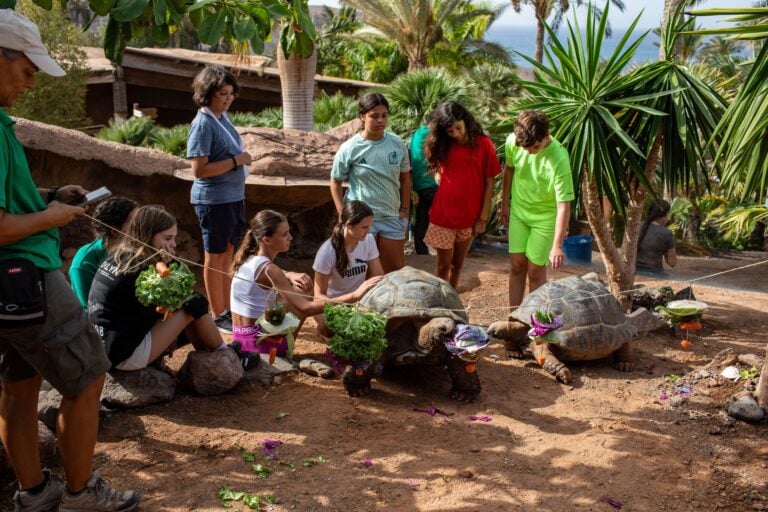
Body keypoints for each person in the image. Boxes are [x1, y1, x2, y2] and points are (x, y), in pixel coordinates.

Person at [0, 11, 139, 511]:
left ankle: (34, 493)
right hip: (24, 273)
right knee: (88, 375)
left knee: (19, 385)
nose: (30, 81)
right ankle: (80, 493)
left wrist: (50, 195)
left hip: (8, 288)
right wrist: (52, 216)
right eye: (28, 69)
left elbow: (9, 199)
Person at [88, 205, 226, 371]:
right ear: (147, 236)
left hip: (103, 347)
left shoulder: (118, 256)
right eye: (167, 239)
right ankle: (223, 353)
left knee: (188, 307)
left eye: (174, 238)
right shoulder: (142, 267)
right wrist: (172, 263)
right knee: (195, 303)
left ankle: (208, 357)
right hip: (123, 356)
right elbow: (180, 296)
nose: (173, 244)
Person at [187, 65, 253, 334]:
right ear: (207, 93)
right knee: (214, 258)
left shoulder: (220, 117)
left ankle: (226, 309)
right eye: (221, 93)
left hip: (232, 197)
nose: (227, 99)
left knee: (227, 255)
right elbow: (199, 170)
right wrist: (237, 161)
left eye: (230, 93)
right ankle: (218, 314)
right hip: (214, 200)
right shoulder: (202, 123)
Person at [230, 210, 339, 357]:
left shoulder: (247, 259)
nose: (291, 238)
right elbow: (305, 308)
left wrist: (288, 274)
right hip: (260, 348)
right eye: (284, 234)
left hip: (241, 340)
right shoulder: (270, 270)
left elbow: (269, 273)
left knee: (297, 289)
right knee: (304, 292)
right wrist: (351, 299)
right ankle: (285, 351)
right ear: (266, 240)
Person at [330, 92, 411, 273]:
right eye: (374, 116)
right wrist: (343, 214)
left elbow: (406, 180)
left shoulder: (397, 144)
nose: (380, 121)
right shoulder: (350, 148)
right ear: (362, 117)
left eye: (384, 116)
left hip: (392, 217)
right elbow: (335, 181)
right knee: (362, 270)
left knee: (394, 270)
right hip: (361, 220)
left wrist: (404, 212)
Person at [423, 102, 501, 289]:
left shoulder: (484, 144)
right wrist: (439, 178)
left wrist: (482, 218)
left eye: (458, 128)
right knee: (442, 266)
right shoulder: (442, 144)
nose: (456, 134)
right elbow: (434, 167)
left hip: (470, 217)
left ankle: (451, 298)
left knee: (457, 266)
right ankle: (440, 302)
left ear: (465, 120)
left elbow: (490, 181)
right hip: (444, 215)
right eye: (450, 131)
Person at [501, 110, 573, 309]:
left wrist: (557, 245)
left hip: (545, 217)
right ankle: (514, 320)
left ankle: (536, 324)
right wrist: (504, 203)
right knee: (516, 265)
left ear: (546, 136)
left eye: (534, 147)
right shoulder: (515, 142)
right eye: (524, 147)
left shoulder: (559, 157)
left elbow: (564, 204)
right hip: (519, 211)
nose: (528, 152)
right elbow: (509, 169)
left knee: (535, 271)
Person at [312, 200, 384, 336]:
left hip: (360, 303)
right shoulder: (327, 252)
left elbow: (378, 276)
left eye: (370, 226)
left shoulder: (368, 240)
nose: (369, 231)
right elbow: (318, 298)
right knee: (339, 332)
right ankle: (322, 328)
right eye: (364, 227)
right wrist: (352, 297)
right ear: (349, 225)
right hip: (333, 305)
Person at [69, 196, 138, 308]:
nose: (143, 226)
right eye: (135, 224)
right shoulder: (85, 262)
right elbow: (90, 308)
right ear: (115, 232)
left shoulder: (139, 250)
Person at [409, 122, 438, 255]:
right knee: (444, 216)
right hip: (431, 183)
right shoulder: (430, 134)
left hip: (419, 183)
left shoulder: (417, 133)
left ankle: (421, 249)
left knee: (422, 217)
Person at [636, 199, 677, 274]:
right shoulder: (666, 233)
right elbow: (672, 263)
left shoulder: (636, 227)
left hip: (633, 271)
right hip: (655, 273)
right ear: (666, 214)